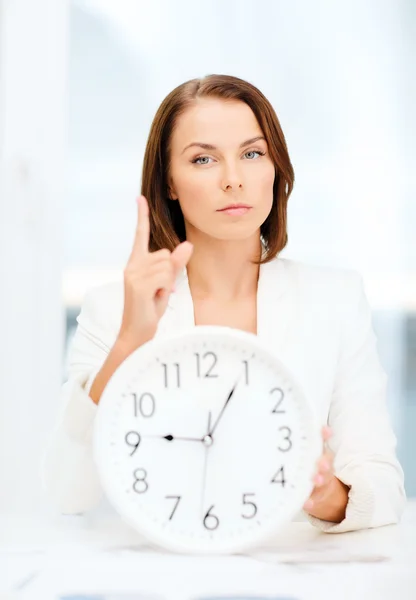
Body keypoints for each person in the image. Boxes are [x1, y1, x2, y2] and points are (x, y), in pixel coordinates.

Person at [41, 74, 405, 533]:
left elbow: (383, 487)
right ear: (169, 182)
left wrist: (324, 492)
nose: (234, 180)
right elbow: (68, 492)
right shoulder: (112, 309)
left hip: (290, 577)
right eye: (203, 159)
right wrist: (132, 340)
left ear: (276, 169)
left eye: (252, 154)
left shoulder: (335, 299)